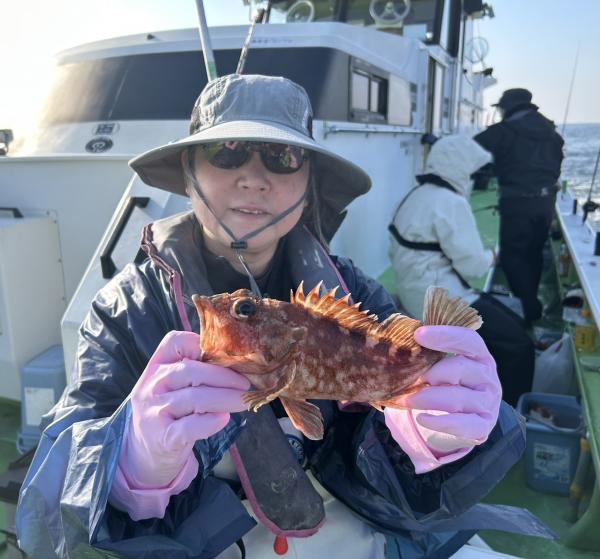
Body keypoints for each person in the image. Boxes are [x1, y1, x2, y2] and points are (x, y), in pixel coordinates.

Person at [17, 75, 531, 559]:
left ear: (308, 186)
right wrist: (130, 462)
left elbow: (403, 470)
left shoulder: (351, 289)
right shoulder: (124, 311)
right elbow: (48, 506)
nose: (254, 179)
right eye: (226, 152)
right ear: (188, 175)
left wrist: (433, 440)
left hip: (356, 526)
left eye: (283, 158)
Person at [388, 134, 535, 407]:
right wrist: (493, 256)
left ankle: (486, 392)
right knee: (519, 344)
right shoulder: (450, 202)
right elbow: (474, 267)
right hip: (440, 302)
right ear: (459, 167)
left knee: (509, 322)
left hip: (414, 293)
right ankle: (509, 413)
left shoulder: (413, 195)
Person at [474, 88, 564, 325]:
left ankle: (528, 308)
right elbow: (555, 166)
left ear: (506, 108)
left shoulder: (503, 131)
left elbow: (468, 150)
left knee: (513, 257)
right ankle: (532, 302)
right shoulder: (552, 133)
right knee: (534, 254)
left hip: (517, 205)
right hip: (545, 204)